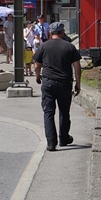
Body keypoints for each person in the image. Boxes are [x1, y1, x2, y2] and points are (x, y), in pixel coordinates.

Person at [33, 21, 81, 152]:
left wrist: (38, 76)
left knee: (48, 112)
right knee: (64, 112)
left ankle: (51, 143)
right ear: (62, 32)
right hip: (64, 83)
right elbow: (77, 66)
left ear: (50, 33)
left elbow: (37, 64)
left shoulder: (44, 46)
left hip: (48, 82)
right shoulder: (69, 46)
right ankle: (64, 138)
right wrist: (78, 83)